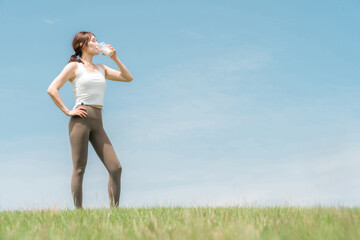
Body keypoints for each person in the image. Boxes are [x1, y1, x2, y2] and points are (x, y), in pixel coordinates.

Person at [47, 31, 133, 209]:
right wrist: (67, 111)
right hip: (81, 119)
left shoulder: (102, 68)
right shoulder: (74, 67)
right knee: (79, 169)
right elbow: (52, 89)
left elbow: (127, 77)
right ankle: (79, 213)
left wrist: (115, 58)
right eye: (93, 41)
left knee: (116, 168)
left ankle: (114, 213)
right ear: (82, 45)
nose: (97, 43)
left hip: (98, 122)